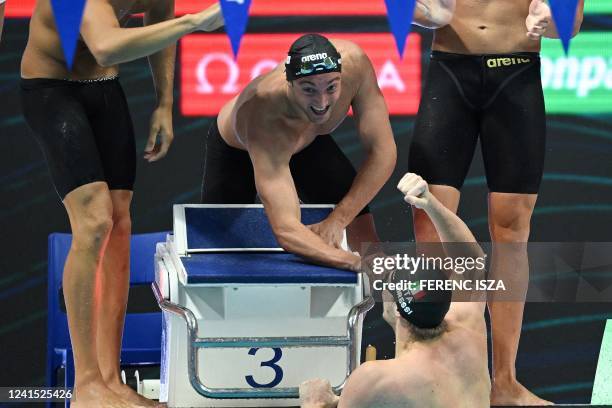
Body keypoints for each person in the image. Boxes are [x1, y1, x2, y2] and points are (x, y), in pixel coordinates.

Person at [20, 1, 223, 407]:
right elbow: (107, 47)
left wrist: (164, 102)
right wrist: (196, 22)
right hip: (51, 89)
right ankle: (86, 386)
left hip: (104, 90)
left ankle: (111, 381)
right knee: (94, 222)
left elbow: (158, 20)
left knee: (119, 225)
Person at [407, 0, 584, 405]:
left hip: (516, 76)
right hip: (450, 71)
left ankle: (503, 381)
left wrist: (550, 23)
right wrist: (421, 14)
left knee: (511, 230)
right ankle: (435, 371)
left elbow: (569, 24)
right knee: (428, 221)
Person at [199, 0, 456, 271]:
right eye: (308, 89)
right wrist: (352, 263)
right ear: (290, 83)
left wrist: (338, 220)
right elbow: (287, 230)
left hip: (307, 144)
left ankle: (390, 308)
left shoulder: (355, 65)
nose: (322, 101)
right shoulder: (264, 116)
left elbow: (383, 154)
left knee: (363, 234)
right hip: (239, 152)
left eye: (331, 87)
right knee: (219, 251)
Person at [299, 173, 490, 408]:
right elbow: (473, 265)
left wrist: (315, 403)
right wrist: (430, 204)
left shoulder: (375, 379)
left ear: (398, 311)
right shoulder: (470, 333)